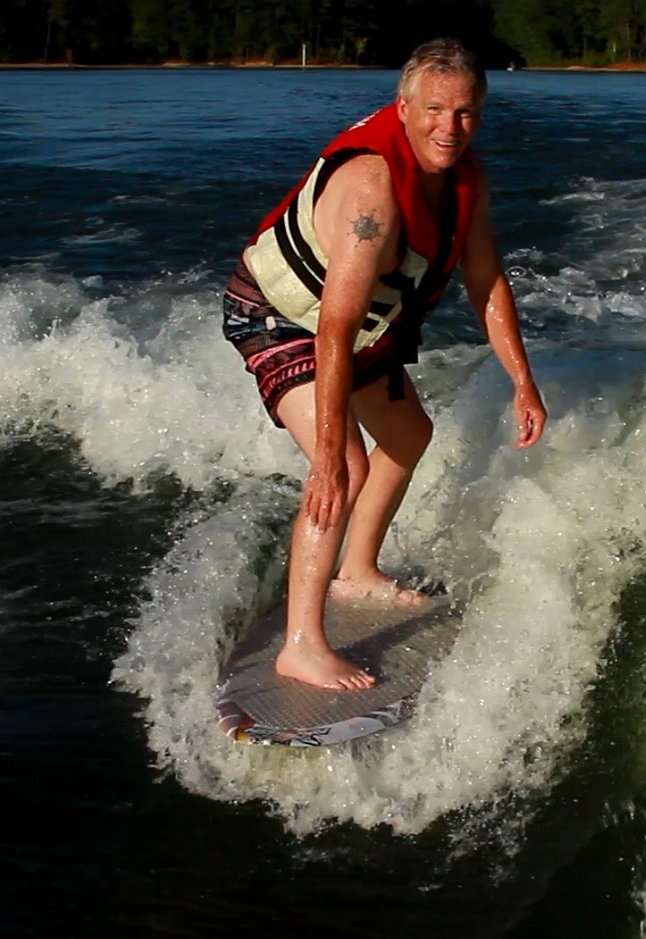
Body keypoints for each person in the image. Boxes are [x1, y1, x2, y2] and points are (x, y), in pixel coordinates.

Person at [222, 38, 546, 691]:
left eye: (465, 113)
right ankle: (301, 644)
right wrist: (325, 456)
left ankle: (357, 569)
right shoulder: (373, 190)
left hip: (358, 328)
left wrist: (523, 380)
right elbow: (333, 328)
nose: (448, 129)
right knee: (343, 465)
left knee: (408, 435)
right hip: (283, 317)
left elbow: (485, 278)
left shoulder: (466, 179)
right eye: (433, 110)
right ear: (402, 107)